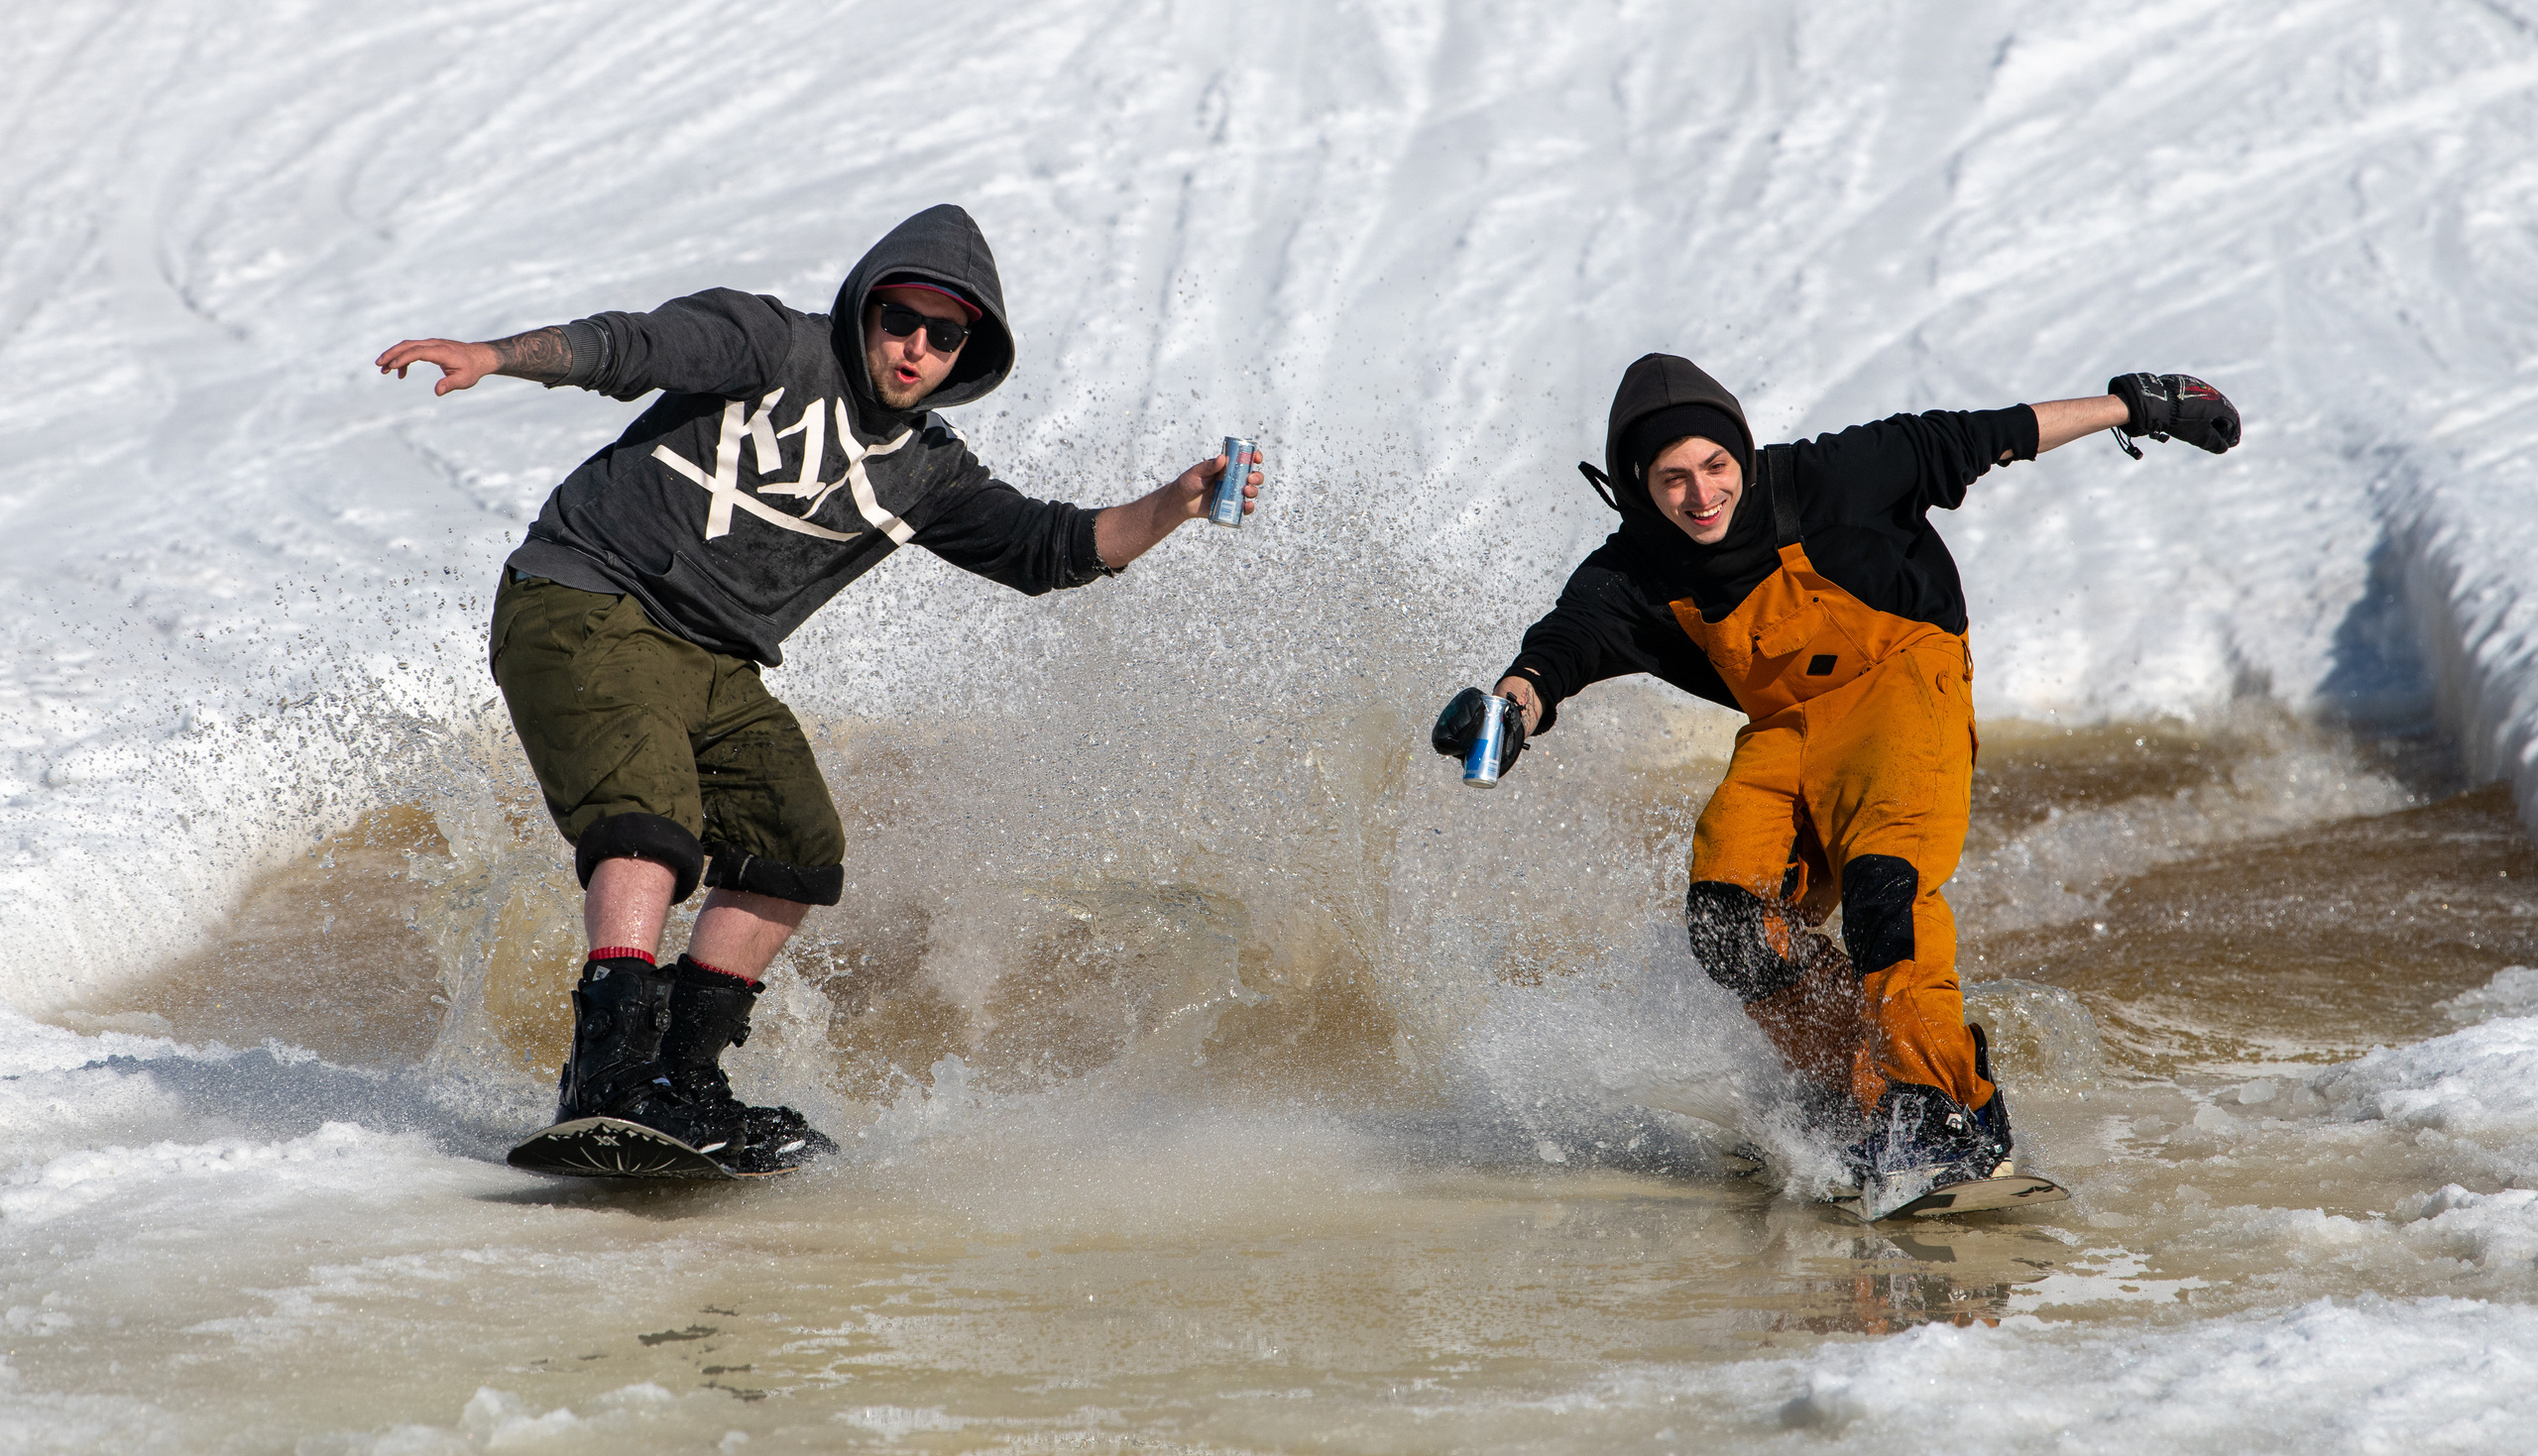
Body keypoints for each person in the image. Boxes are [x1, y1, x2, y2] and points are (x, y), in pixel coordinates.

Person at [378, 204, 1262, 1172]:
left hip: (712, 658)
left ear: (967, 352)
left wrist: (1175, 502)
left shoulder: (927, 471)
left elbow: (1049, 547)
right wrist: (494, 355)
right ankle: (608, 1067)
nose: (916, 346)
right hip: (584, 594)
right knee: (650, 816)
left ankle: (680, 1079)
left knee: (793, 838)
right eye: (900, 320)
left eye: (944, 333)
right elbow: (625, 346)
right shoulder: (769, 345)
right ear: (864, 310)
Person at [1435, 358, 2238, 1197]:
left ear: (1742, 452)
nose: (1701, 494)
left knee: (1884, 892)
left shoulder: (1829, 477)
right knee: (1728, 920)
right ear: (1640, 484)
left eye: (1715, 466)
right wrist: (1509, 711)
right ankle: (1857, 1087)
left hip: (1903, 682)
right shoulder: (1633, 573)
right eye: (1673, 478)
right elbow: (1556, 650)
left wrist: (2136, 405)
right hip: (1789, 728)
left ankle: (1950, 1109)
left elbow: (1984, 436)